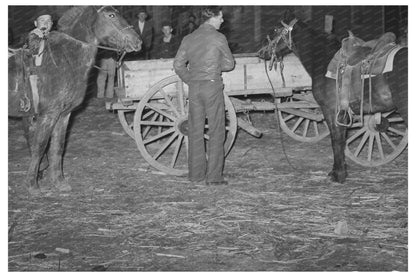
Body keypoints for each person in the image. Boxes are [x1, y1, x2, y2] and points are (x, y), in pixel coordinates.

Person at [174, 6, 235, 186]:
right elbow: (229, 64)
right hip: (212, 86)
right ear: (212, 18)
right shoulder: (218, 38)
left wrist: (191, 79)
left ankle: (196, 175)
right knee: (216, 131)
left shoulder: (188, 38)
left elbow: (178, 65)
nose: (222, 20)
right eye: (220, 17)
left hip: (195, 88)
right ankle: (214, 177)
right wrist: (214, 67)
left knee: (195, 130)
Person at [27, 14, 53, 114]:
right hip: (35, 70)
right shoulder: (34, 34)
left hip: (49, 71)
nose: (45, 23)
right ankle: (35, 113)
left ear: (52, 23)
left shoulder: (52, 35)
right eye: (42, 20)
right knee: (35, 90)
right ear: (35, 23)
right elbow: (34, 48)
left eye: (48, 21)